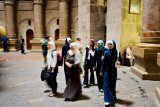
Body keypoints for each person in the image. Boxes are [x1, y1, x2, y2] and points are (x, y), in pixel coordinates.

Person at [100, 40, 120, 106]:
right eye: (108, 44)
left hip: (113, 71)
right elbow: (104, 63)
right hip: (107, 71)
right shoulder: (106, 52)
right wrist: (101, 70)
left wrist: (119, 62)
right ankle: (107, 100)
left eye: (111, 44)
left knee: (112, 84)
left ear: (113, 45)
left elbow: (120, 59)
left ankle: (113, 96)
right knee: (106, 85)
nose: (109, 46)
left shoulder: (116, 52)